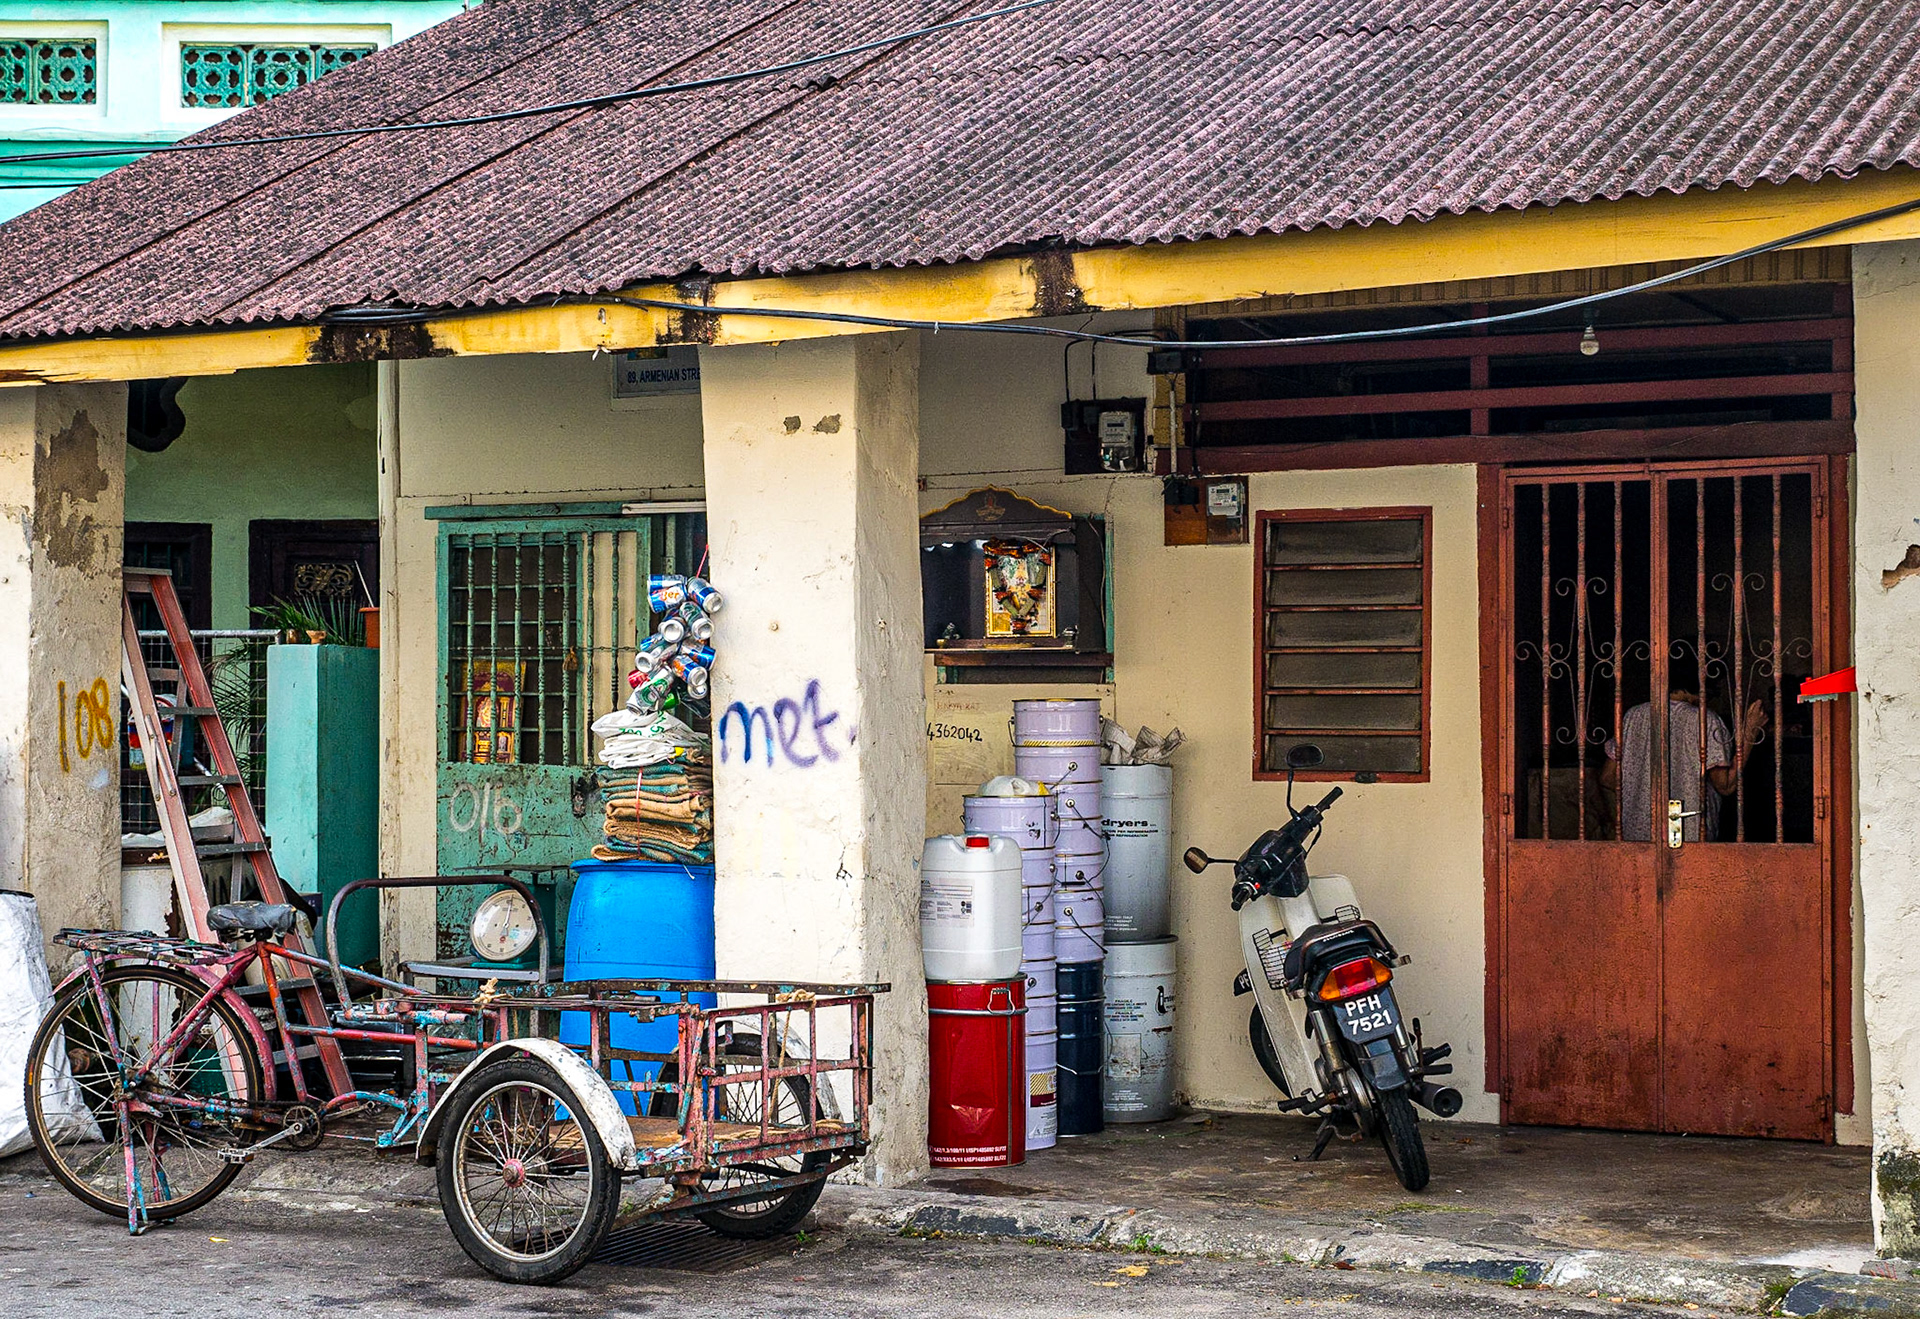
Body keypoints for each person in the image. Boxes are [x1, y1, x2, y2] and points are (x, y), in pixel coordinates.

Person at [1601, 658, 1768, 842]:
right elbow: (1725, 784)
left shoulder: (1634, 716)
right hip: (1687, 836)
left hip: (1638, 836)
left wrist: (1642, 801)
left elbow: (1608, 778)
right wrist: (1750, 733)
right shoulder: (1705, 721)